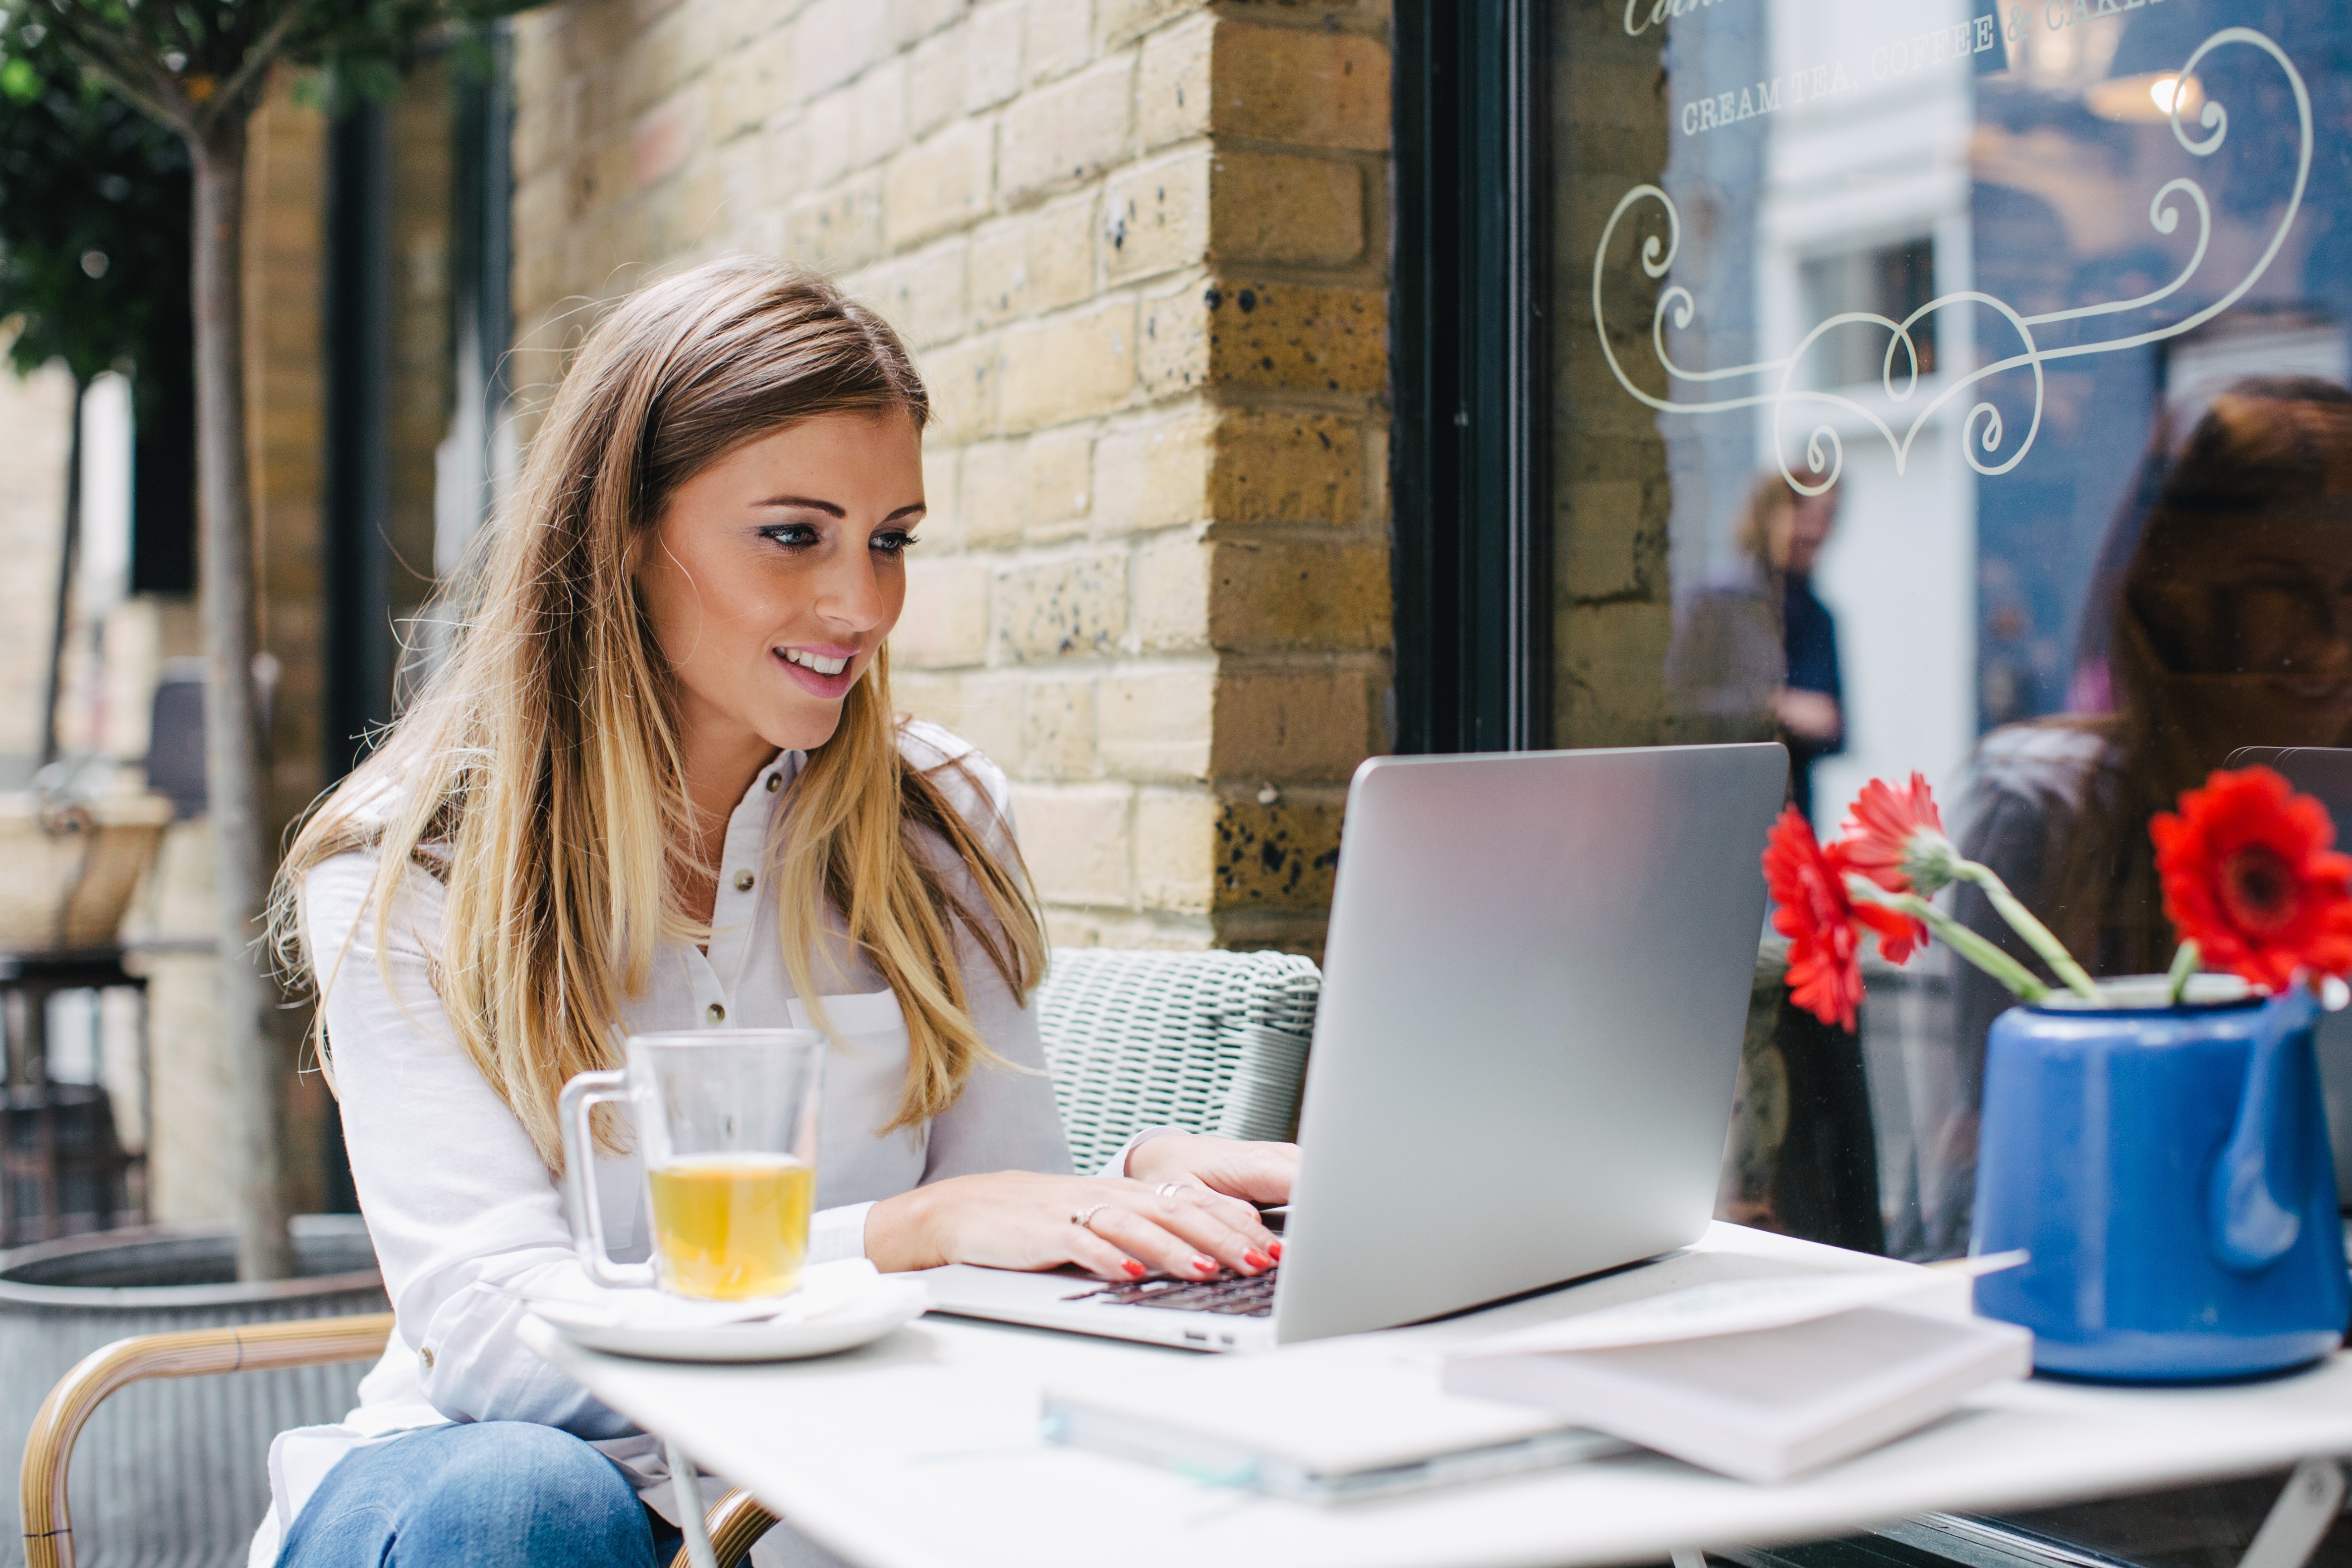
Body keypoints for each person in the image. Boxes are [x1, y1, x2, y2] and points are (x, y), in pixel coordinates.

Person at [260, 258, 1297, 1568]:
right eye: (794, 534)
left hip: (829, 1494)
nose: (861, 605)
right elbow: (491, 1340)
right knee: (536, 1498)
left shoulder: (937, 819)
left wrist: (1130, 1206)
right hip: (480, 1500)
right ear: (624, 528)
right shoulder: (413, 861)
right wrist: (893, 1234)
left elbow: (999, 1220)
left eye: (890, 540)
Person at [1923, 376, 2352, 1258]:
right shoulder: (2050, 811)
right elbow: (2005, 1183)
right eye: (2275, 588)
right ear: (2170, 599)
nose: (2331, 637)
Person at [1665, 472, 1846, 820]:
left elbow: (1836, 730)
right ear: (1766, 515)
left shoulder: (1819, 616)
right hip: (1719, 805)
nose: (1814, 528)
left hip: (1791, 813)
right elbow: (1676, 709)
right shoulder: (1717, 603)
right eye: (1802, 511)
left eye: (1826, 514)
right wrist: (1773, 706)